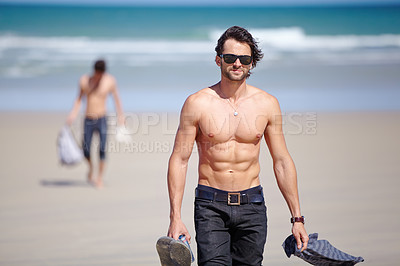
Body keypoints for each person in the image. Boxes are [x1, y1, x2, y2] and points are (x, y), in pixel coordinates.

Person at [166, 26, 309, 265]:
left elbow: (282, 161)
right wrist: (175, 217)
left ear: (252, 63)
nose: (237, 64)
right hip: (210, 204)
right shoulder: (197, 103)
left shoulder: (267, 104)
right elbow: (179, 160)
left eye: (244, 59)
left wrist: (297, 218)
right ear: (218, 59)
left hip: (252, 206)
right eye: (230, 58)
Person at [66, 59, 124, 188]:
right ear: (94, 71)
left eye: (101, 75)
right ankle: (91, 167)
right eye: (97, 74)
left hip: (102, 118)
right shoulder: (84, 81)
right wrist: (73, 114)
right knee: (86, 150)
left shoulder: (110, 81)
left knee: (102, 149)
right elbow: (79, 99)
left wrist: (121, 116)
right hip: (88, 119)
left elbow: (117, 99)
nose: (99, 77)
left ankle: (99, 178)